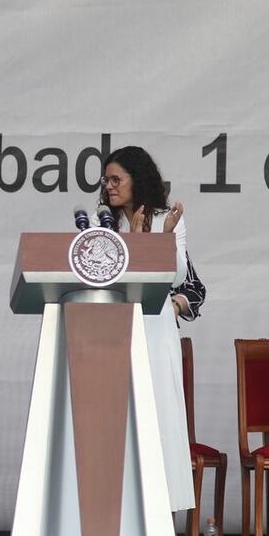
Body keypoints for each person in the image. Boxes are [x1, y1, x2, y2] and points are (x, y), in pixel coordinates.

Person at [99, 146, 196, 515]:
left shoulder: (166, 219)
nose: (109, 186)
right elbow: (103, 278)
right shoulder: (102, 224)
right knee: (117, 420)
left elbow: (174, 277)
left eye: (116, 179)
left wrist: (158, 239)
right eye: (106, 180)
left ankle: (158, 514)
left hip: (155, 331)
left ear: (137, 181)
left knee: (158, 417)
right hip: (112, 331)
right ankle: (113, 511)